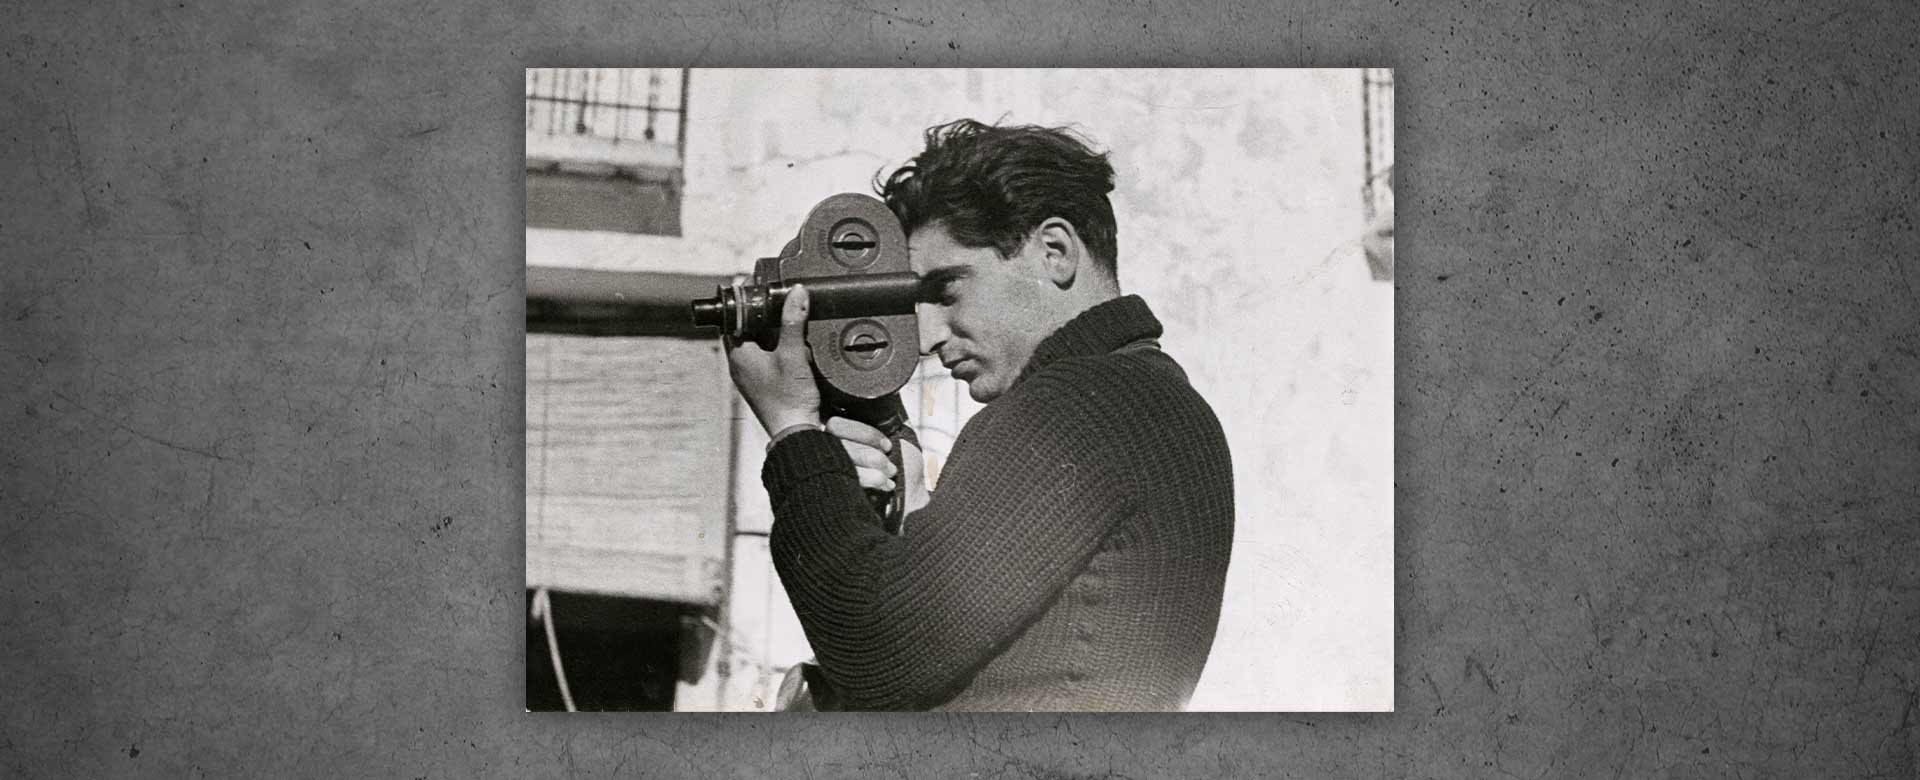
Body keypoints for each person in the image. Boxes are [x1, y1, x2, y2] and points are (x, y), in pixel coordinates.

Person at [726, 119, 1234, 711]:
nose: (926, 337)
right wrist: (911, 517)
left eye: (946, 292)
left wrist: (793, 431)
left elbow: (877, 646)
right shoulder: (1149, 401)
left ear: (1055, 251)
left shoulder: (1078, 407)